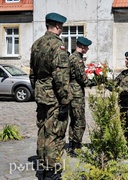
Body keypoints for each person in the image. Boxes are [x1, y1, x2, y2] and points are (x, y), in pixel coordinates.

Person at [29, 12, 72, 179]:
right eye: (61, 27)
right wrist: (65, 101)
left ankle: (43, 167)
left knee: (43, 131)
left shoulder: (37, 44)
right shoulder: (58, 46)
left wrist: (38, 90)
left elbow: (32, 73)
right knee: (55, 134)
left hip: (41, 95)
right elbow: (61, 78)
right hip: (54, 97)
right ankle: (53, 171)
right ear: (58, 26)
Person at [68, 37, 93, 157]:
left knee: (73, 120)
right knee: (79, 121)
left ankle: (72, 144)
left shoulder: (72, 57)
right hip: (76, 94)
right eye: (87, 47)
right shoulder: (77, 59)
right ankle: (75, 147)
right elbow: (82, 80)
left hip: (71, 92)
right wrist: (95, 81)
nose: (87, 49)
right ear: (82, 47)